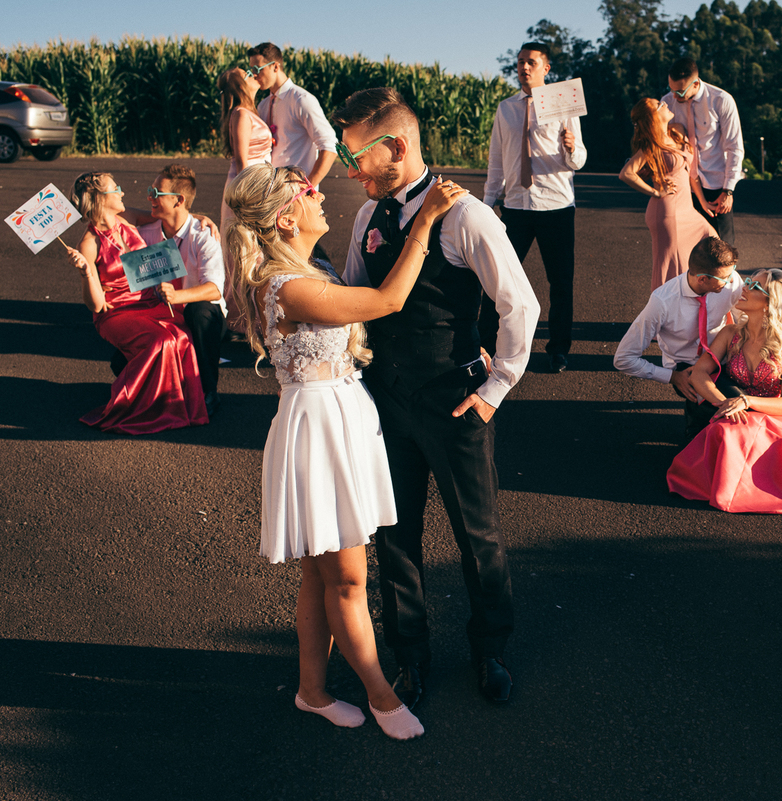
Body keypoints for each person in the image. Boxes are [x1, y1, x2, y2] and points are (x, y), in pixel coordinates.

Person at [224, 162, 468, 740]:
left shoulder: (309, 269)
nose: (320, 196)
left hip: (336, 414)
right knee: (349, 581)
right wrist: (425, 220)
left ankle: (311, 692)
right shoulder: (290, 286)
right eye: (308, 193)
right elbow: (387, 300)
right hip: (320, 428)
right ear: (286, 219)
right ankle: (383, 698)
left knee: (319, 573)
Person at [332, 87, 539, 708]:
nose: (352, 171)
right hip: (387, 401)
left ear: (396, 147)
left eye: (358, 157)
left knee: (477, 533)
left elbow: (519, 304)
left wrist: (495, 389)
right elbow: (354, 298)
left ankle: (490, 650)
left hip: (454, 400)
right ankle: (410, 657)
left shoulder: (467, 216)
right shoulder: (368, 217)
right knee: (394, 536)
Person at [667, 269, 782, 514]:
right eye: (747, 282)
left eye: (754, 286)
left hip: (777, 416)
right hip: (737, 410)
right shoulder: (730, 333)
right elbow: (698, 374)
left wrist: (745, 401)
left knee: (736, 433)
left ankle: (751, 493)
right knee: (726, 429)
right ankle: (728, 489)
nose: (744, 287)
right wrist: (723, 403)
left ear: (771, 302)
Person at [63, 173, 208, 434]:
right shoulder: (89, 243)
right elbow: (95, 306)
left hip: (148, 302)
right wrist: (86, 273)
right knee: (161, 341)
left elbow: (167, 216)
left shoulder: (126, 216)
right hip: (116, 312)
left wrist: (198, 219)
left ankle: (182, 406)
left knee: (181, 335)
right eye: (116, 188)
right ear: (100, 199)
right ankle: (147, 410)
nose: (122, 192)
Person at [481, 41, 586, 373]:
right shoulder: (506, 109)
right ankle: (484, 347)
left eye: (531, 62)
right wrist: (486, 204)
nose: (524, 67)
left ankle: (558, 350)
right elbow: (496, 160)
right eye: (520, 62)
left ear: (546, 69)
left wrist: (571, 148)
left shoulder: (562, 101)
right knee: (497, 279)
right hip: (515, 207)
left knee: (560, 283)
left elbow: (579, 160)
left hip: (555, 206)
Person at [614, 236, 743, 441]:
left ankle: (700, 422)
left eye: (732, 273)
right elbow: (623, 358)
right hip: (686, 366)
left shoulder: (730, 280)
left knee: (746, 400)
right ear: (702, 279)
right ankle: (697, 431)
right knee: (729, 407)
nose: (731, 281)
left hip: (721, 356)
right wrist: (672, 376)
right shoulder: (662, 301)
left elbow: (745, 317)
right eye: (724, 278)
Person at [138, 164, 227, 417]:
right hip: (161, 314)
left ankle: (208, 391)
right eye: (150, 191)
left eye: (157, 193)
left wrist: (177, 297)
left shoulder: (203, 235)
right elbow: (117, 216)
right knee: (118, 363)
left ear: (179, 200)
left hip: (200, 317)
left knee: (200, 312)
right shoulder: (147, 233)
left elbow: (214, 289)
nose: (150, 197)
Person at [619, 98, 717, 290]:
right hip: (667, 211)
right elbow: (626, 173)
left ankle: (704, 301)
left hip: (687, 210)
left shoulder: (677, 131)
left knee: (712, 243)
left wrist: (702, 201)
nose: (665, 105)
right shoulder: (652, 145)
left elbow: (691, 173)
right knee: (672, 266)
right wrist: (655, 192)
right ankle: (665, 307)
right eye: (659, 106)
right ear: (652, 118)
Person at [661, 57, 743, 246]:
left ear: (696, 84)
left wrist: (728, 190)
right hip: (683, 186)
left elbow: (734, 147)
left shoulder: (721, 100)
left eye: (680, 91)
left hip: (716, 186)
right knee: (687, 247)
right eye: (671, 89)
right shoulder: (667, 103)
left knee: (721, 248)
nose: (675, 96)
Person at [246, 43, 337, 189]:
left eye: (257, 69)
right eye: (251, 70)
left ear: (275, 67)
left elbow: (330, 146)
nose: (254, 74)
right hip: (270, 191)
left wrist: (308, 188)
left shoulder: (301, 99)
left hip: (296, 191)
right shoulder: (263, 105)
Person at [217, 67, 272, 230]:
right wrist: (247, 198)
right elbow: (242, 160)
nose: (254, 74)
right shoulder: (241, 114)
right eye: (247, 74)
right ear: (240, 86)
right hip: (248, 184)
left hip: (258, 180)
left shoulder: (250, 112)